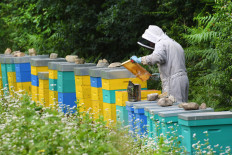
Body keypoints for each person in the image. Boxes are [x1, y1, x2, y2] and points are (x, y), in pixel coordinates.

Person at [131, 25, 189, 102]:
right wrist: (162, 75)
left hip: (174, 82)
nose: (151, 44)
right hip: (183, 79)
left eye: (150, 41)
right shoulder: (175, 44)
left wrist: (140, 59)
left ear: (153, 37)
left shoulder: (161, 43)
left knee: (174, 108)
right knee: (182, 106)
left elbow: (157, 57)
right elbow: (173, 64)